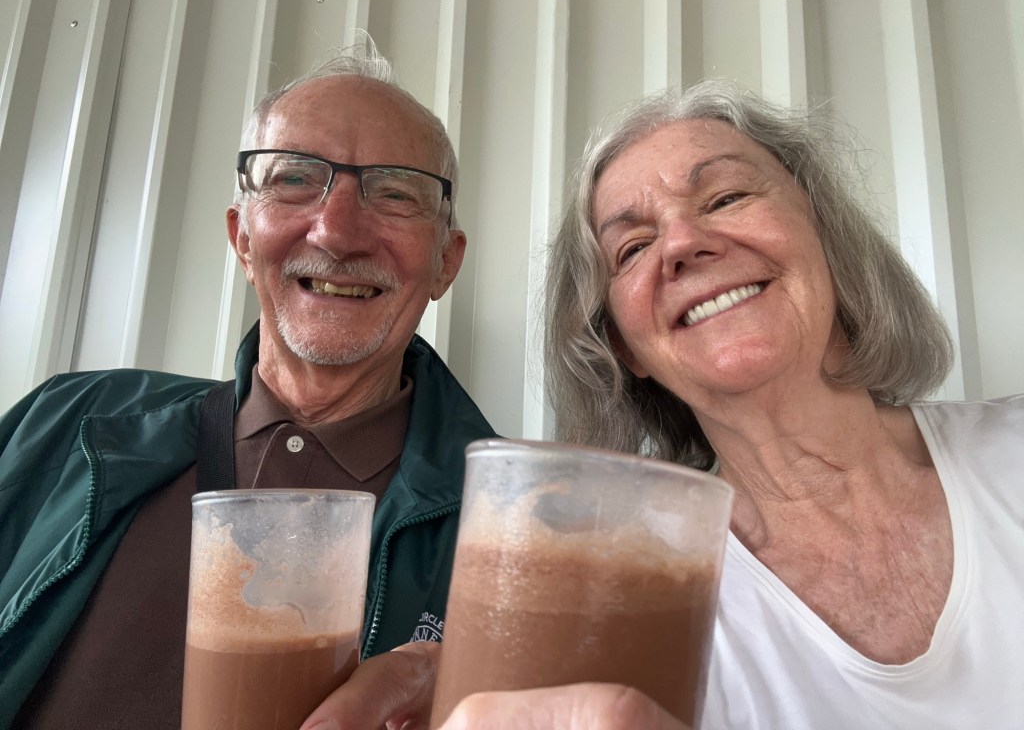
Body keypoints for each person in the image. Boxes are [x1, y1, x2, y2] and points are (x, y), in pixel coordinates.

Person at [0, 39, 494, 729]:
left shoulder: (506, 535)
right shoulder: (61, 423)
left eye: (394, 193)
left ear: (446, 262)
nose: (338, 231)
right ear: (241, 236)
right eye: (294, 179)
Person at [528, 80, 1022, 729]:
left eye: (726, 197)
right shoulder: (632, 615)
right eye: (634, 247)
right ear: (624, 347)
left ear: (826, 235)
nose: (680, 244)